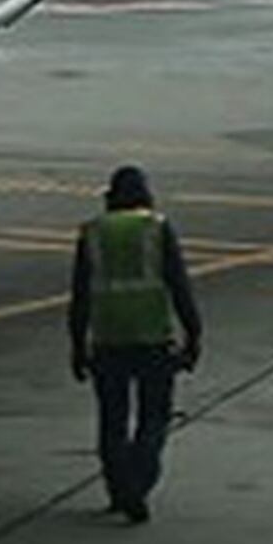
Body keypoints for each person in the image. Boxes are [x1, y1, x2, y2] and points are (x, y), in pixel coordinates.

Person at [67, 162, 203, 523]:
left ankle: (119, 490)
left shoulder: (93, 232)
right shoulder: (156, 228)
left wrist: (77, 345)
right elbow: (179, 286)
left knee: (112, 421)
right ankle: (137, 484)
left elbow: (80, 296)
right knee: (154, 418)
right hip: (152, 337)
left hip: (108, 338)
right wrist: (194, 335)